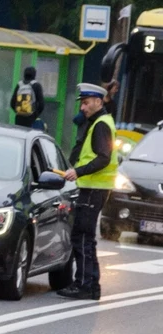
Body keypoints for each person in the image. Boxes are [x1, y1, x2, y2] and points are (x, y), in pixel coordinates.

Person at [59, 83, 118, 301]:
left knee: (82, 236)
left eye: (85, 103)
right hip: (94, 188)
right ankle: (91, 285)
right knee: (86, 237)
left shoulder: (101, 124)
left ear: (98, 102)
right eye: (82, 103)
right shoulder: (98, 122)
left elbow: (103, 157)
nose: (82, 107)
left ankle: (84, 284)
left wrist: (78, 172)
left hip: (94, 188)